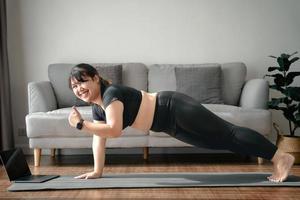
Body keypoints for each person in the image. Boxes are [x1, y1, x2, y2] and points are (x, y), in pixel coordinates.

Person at [68, 63, 295, 182]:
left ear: (96, 78)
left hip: (174, 108)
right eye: (74, 87)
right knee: (219, 143)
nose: (79, 89)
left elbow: (114, 130)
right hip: (169, 125)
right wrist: (97, 171)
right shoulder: (98, 108)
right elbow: (100, 136)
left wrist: (81, 125)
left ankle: (280, 157)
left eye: (82, 82)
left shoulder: (111, 94)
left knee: (229, 133)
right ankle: (275, 158)